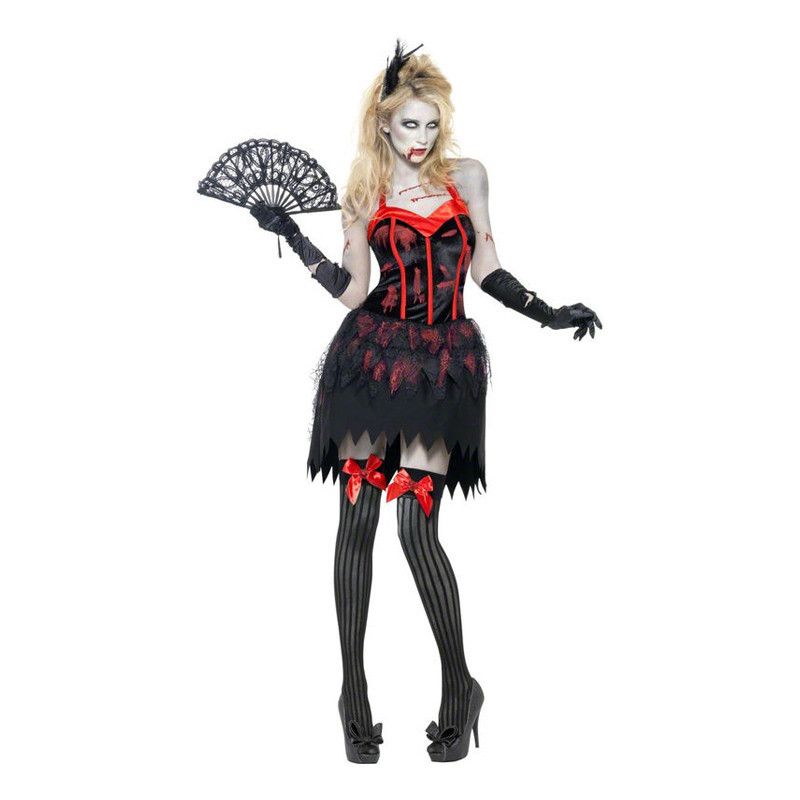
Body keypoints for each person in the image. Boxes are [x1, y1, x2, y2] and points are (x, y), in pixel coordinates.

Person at [250, 40, 602, 764]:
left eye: (431, 125)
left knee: (416, 528)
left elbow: (489, 269)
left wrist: (548, 312)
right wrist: (296, 240)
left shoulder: (467, 177)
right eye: (408, 125)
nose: (420, 138)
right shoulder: (363, 191)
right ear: (382, 124)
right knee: (356, 523)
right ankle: (353, 697)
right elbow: (353, 290)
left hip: (443, 368)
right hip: (369, 362)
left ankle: (460, 689)